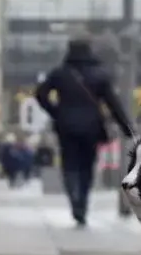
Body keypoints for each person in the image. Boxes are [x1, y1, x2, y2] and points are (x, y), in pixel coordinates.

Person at [35, 35, 133, 226]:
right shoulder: (99, 75)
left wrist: (56, 111)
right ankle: (82, 205)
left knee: (69, 165)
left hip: (66, 128)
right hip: (91, 127)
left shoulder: (60, 73)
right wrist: (126, 127)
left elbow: (40, 94)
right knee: (86, 166)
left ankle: (74, 201)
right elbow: (113, 103)